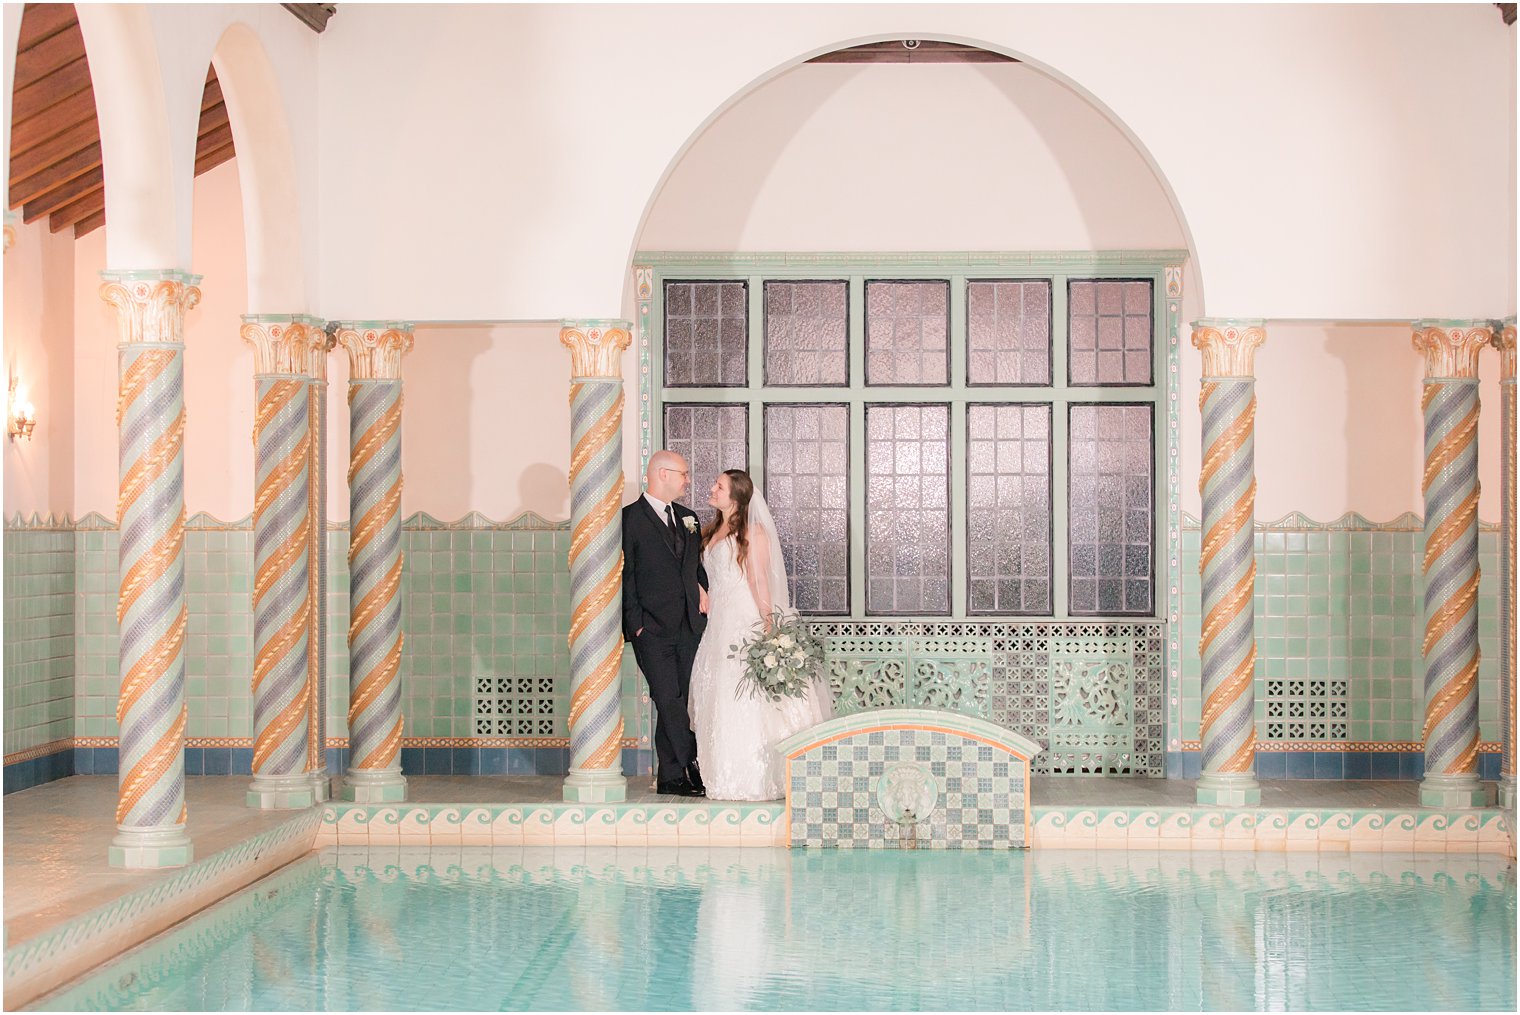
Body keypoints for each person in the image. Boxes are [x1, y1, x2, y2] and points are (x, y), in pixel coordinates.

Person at [688, 469, 833, 801]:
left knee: (747, 695)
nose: (712, 489)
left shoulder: (753, 533)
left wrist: (769, 624)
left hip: (744, 619)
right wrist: (699, 589)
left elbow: (758, 581)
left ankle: (755, 775)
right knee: (720, 692)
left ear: (736, 495)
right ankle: (722, 773)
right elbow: (704, 573)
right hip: (719, 621)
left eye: (719, 486)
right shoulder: (711, 530)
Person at [621, 450, 708, 797]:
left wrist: (703, 590)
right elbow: (624, 575)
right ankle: (691, 761)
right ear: (661, 474)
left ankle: (672, 778)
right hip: (651, 629)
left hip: (688, 625)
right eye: (683, 474)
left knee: (676, 699)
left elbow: (694, 566)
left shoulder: (690, 518)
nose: (688, 480)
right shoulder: (629, 518)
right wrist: (635, 624)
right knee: (667, 697)